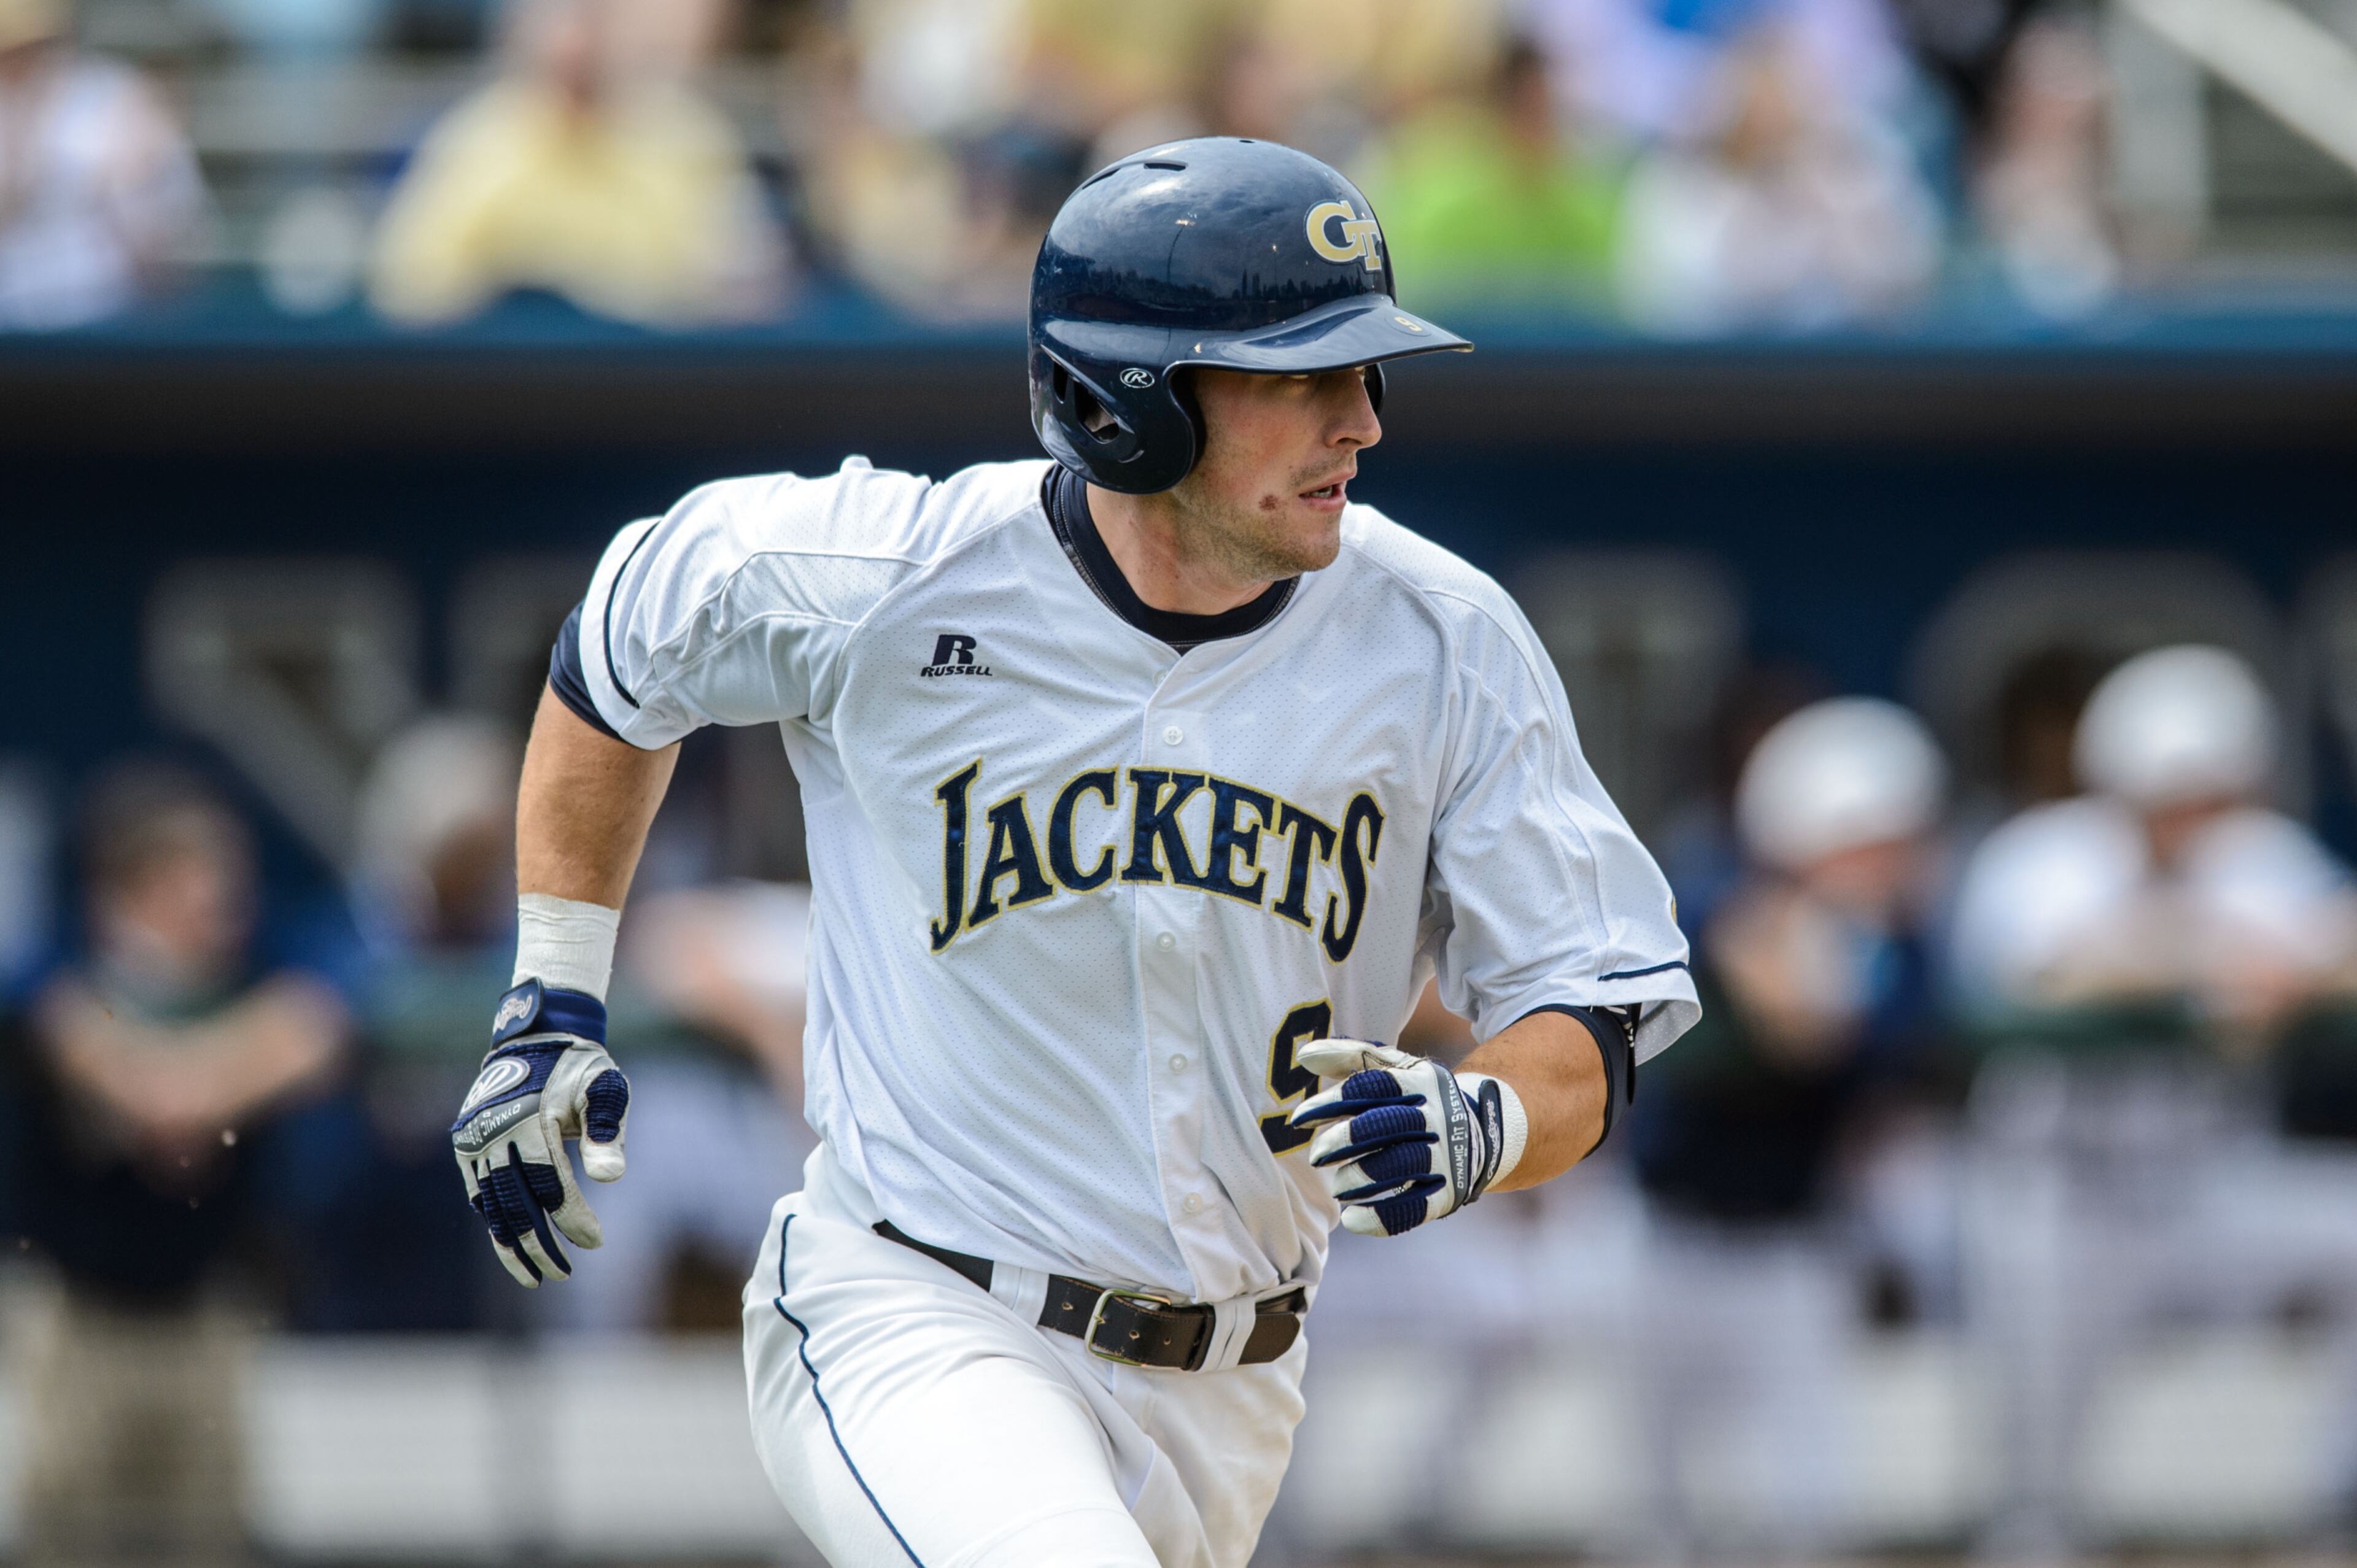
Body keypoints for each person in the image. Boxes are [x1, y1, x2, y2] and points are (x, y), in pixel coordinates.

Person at [444, 136, 1697, 1566]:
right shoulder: (890, 576)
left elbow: (1589, 1008)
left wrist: (1486, 1127)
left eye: (1367, 372)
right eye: (1301, 375)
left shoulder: (1442, 638)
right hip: (919, 1312)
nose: (1361, 420)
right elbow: (624, 641)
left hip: (1238, 1383)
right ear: (1130, 401)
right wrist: (549, 994)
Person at [1628, 697, 1948, 1554]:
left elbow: (1818, 1033)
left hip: (1798, 1239)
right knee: (1655, 1501)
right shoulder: (1698, 899)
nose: (1890, 862)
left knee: (1809, 1501)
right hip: (1665, 1229)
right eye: (1866, 841)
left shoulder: (1902, 948)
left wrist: (1789, 963)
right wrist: (1760, 943)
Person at [7, 763, 344, 1566]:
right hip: (75, 1315)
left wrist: (199, 1082)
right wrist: (173, 1083)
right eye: (203, 881)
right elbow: (67, 1027)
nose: (228, 903)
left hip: (205, 1309)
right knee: (69, 1537)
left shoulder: (265, 964)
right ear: (136, 885)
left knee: (208, 1539)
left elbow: (325, 1023)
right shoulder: (58, 964)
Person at [368, 0, 785, 327]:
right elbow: (407, 281)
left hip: (651, 382)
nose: (577, 54)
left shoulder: (689, 136)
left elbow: (749, 278)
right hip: (511, 384)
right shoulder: (478, 137)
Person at [0, 0, 206, 329]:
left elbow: (170, 246)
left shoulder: (117, 98)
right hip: (12, 328)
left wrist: (131, 191)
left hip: (105, 326)